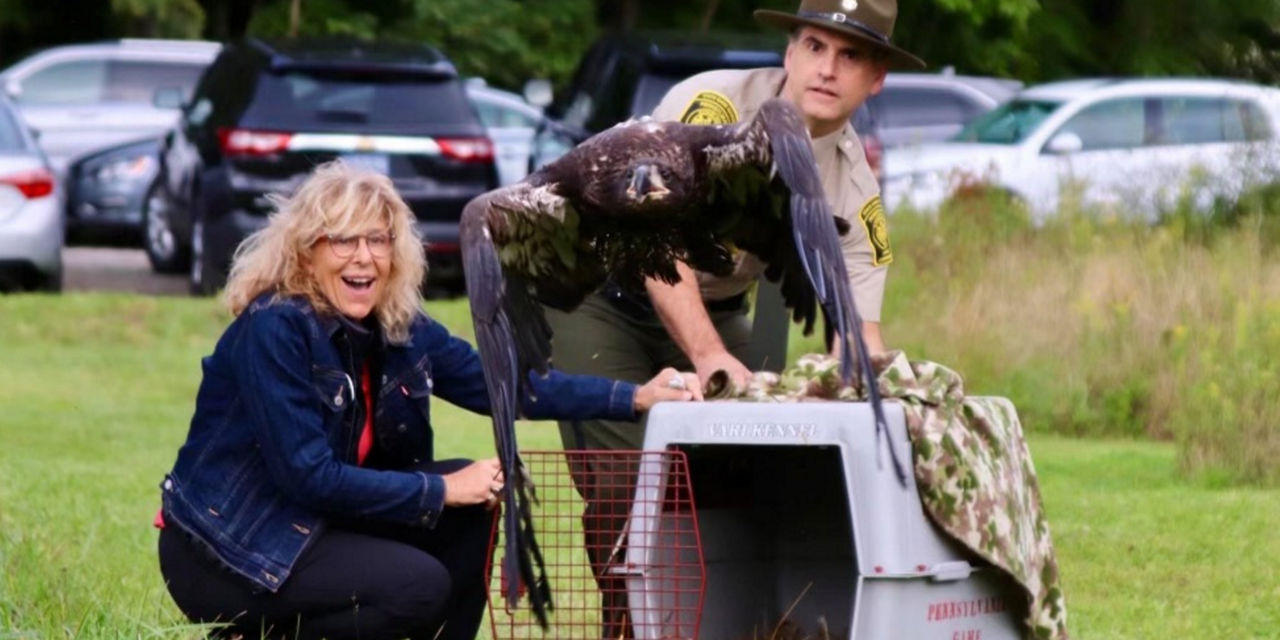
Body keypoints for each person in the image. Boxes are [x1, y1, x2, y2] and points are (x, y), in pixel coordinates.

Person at [154, 161, 701, 640]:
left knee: (473, 505)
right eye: (343, 240)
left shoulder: (399, 326)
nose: (363, 258)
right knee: (418, 586)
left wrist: (635, 396)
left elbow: (510, 386)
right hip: (233, 550)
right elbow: (308, 478)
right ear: (306, 252)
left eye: (378, 239)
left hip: (317, 525)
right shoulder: (275, 328)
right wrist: (439, 489)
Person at [543, 0, 926, 636]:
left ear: (877, 76)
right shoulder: (710, 109)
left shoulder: (856, 193)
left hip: (715, 309)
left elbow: (857, 336)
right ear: (789, 52)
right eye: (814, 46)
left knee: (757, 472)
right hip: (595, 289)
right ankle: (630, 630)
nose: (827, 68)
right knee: (629, 489)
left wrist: (858, 395)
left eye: (851, 55)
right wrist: (708, 357)